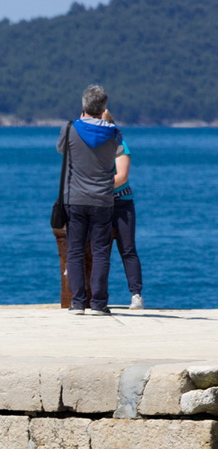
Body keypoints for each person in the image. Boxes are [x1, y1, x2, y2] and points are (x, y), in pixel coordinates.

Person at [57, 84, 123, 316]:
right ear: (104, 108)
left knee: (74, 251)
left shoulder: (70, 129)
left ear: (83, 106)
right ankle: (98, 304)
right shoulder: (114, 132)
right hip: (103, 199)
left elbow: (60, 149)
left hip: (75, 197)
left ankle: (77, 303)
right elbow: (117, 152)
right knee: (101, 252)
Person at [102, 109, 144, 309]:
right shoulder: (94, 147)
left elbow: (122, 177)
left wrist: (97, 187)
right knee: (102, 251)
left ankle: (136, 294)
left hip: (121, 203)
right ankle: (99, 295)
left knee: (127, 249)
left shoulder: (120, 145)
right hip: (101, 204)